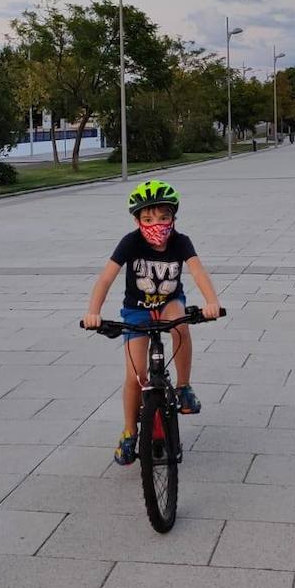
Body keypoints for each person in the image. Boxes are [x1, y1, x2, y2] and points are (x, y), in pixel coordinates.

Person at [83, 179, 224, 465]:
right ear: (137, 221)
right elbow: (106, 278)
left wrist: (212, 302)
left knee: (181, 325)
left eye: (163, 217)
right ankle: (129, 432)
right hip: (136, 310)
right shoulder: (131, 242)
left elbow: (198, 272)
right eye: (147, 219)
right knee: (135, 376)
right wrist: (93, 312)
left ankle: (183, 387)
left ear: (173, 217)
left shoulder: (181, 242)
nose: (156, 224)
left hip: (169, 303)